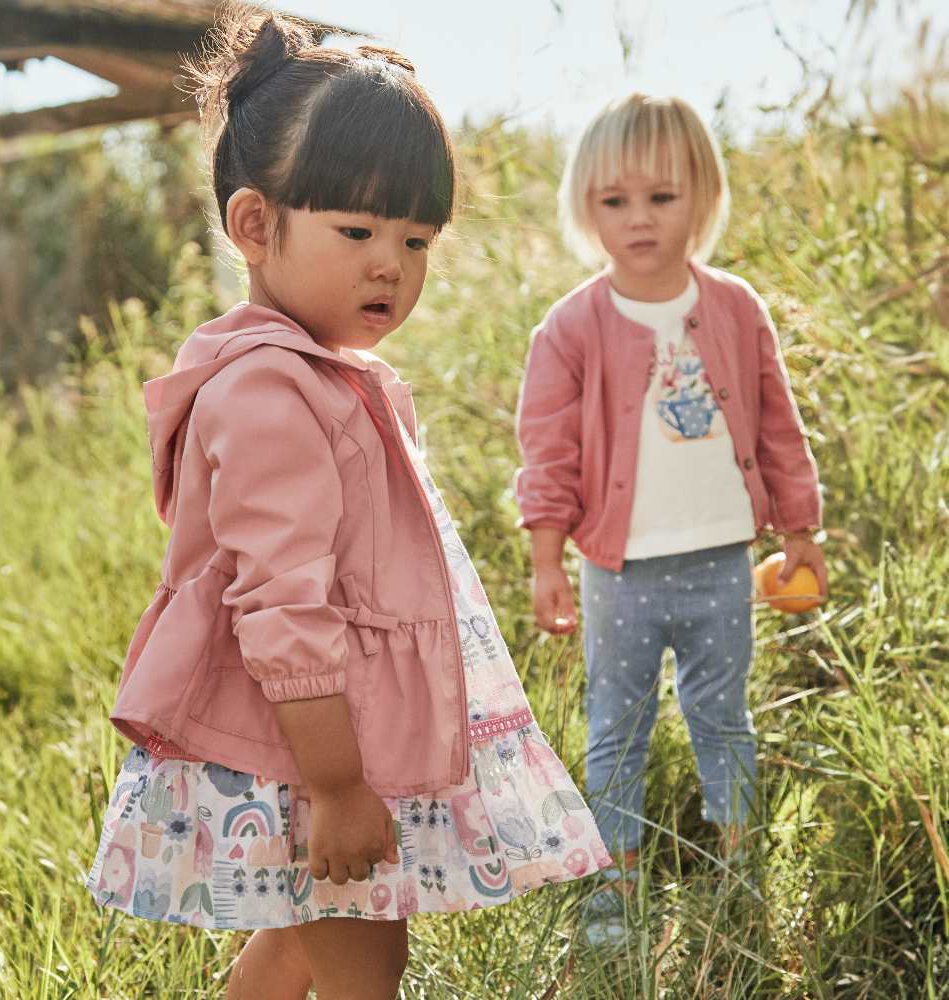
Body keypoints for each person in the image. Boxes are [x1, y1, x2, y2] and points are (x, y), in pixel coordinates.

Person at [84, 9, 610, 999]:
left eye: (417, 239)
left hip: (335, 738)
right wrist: (335, 785)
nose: (391, 265)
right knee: (364, 960)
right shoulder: (268, 391)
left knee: (303, 944)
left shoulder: (324, 377)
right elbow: (282, 604)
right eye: (358, 230)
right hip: (305, 750)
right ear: (253, 225)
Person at [514, 93, 828, 947]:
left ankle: (741, 872)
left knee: (723, 715)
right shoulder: (570, 328)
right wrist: (548, 562)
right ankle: (612, 890)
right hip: (618, 570)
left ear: (704, 195)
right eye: (615, 202)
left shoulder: (734, 308)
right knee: (617, 724)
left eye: (662, 197)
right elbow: (548, 457)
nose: (640, 220)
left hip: (722, 559)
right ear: (587, 208)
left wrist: (802, 532)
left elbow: (777, 427)